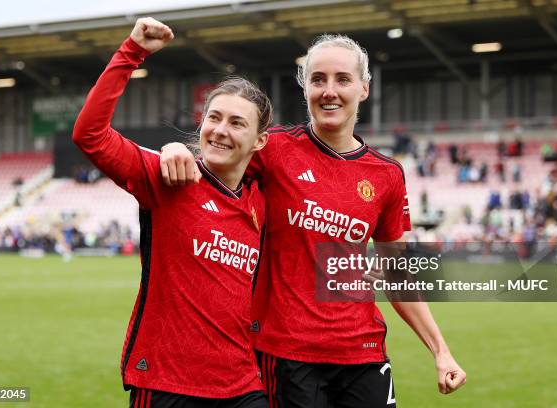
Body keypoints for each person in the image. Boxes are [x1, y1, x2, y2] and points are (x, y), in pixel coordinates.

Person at [160, 34, 466, 407]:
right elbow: (213, 161)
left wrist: (440, 350)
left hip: (363, 352)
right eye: (318, 79)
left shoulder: (387, 174)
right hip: (286, 355)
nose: (329, 91)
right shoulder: (272, 149)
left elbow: (396, 273)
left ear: (364, 89)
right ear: (305, 87)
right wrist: (175, 149)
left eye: (343, 79)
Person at [73, 18, 272, 408]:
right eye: (213, 118)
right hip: (168, 384)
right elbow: (89, 136)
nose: (220, 130)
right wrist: (131, 51)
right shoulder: (169, 177)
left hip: (244, 386)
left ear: (260, 140)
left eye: (236, 123)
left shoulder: (264, 201)